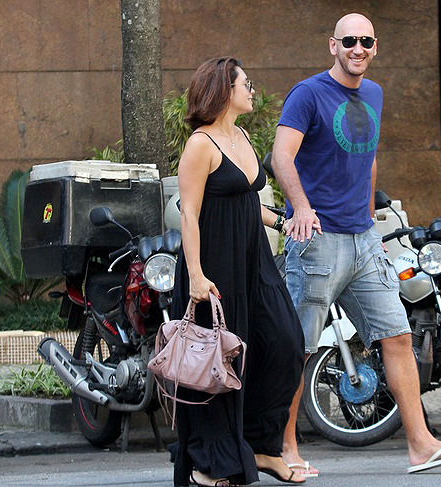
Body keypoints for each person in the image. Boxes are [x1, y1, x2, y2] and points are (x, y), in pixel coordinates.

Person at [272, 12, 441, 475]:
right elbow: (282, 155)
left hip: (363, 240)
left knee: (398, 336)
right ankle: (284, 449)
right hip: (317, 240)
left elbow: (369, 158)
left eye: (365, 41)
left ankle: (420, 444)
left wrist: (370, 220)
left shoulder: (375, 93)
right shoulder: (308, 94)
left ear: (375, 46)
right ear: (332, 45)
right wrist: (301, 207)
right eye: (349, 41)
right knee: (298, 348)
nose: (357, 49)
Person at [170, 57, 306, 486]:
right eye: (246, 83)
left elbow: (245, 201)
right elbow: (189, 214)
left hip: (253, 262)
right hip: (213, 266)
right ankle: (210, 463)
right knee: (216, 367)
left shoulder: (242, 136)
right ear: (223, 90)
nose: (252, 89)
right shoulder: (201, 144)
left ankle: (262, 447)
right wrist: (195, 275)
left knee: (285, 342)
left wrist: (282, 221)